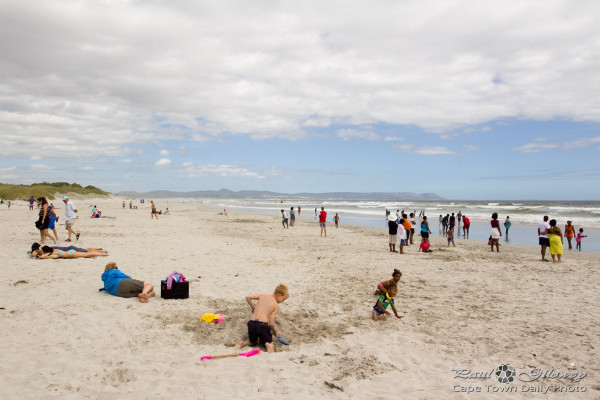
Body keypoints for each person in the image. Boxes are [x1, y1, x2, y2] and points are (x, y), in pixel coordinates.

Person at [234, 284, 289, 353]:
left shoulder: (262, 295)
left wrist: (253, 307)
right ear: (279, 295)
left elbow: (248, 297)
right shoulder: (276, 305)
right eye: (283, 299)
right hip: (262, 325)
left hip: (251, 324)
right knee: (269, 343)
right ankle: (268, 345)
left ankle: (242, 343)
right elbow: (271, 323)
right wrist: (275, 332)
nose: (283, 301)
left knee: (252, 342)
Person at [33, 245, 108, 259]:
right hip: (70, 251)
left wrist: (38, 255)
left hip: (71, 254)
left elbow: (42, 257)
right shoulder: (53, 250)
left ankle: (102, 254)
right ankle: (101, 253)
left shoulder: (50, 253)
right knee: (86, 253)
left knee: (87, 254)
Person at [31, 242, 105, 254]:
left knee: (86, 251)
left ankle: (99, 251)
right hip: (70, 247)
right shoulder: (48, 247)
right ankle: (98, 249)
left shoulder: (46, 250)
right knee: (85, 250)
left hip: (71, 249)